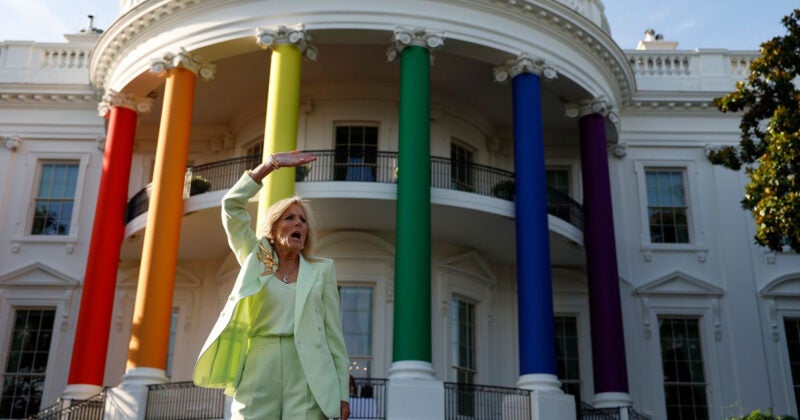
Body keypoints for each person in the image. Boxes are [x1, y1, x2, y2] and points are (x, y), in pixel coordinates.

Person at [193, 151, 351, 420]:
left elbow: (333, 335)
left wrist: (342, 392)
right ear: (274, 228)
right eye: (289, 218)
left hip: (309, 371)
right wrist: (269, 165)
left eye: (303, 220)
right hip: (259, 364)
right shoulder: (257, 258)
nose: (298, 223)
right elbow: (231, 206)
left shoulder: (321, 271)